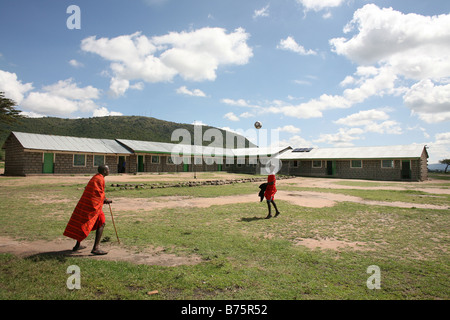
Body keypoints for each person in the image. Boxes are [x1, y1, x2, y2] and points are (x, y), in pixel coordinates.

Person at [63, 165, 112, 255]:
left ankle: (77, 245)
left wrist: (103, 199)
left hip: (88, 205)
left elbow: (97, 192)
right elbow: (96, 195)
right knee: (101, 222)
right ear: (104, 171)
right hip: (92, 207)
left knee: (84, 223)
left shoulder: (96, 177)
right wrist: (105, 200)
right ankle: (95, 248)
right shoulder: (99, 179)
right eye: (108, 169)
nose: (109, 170)